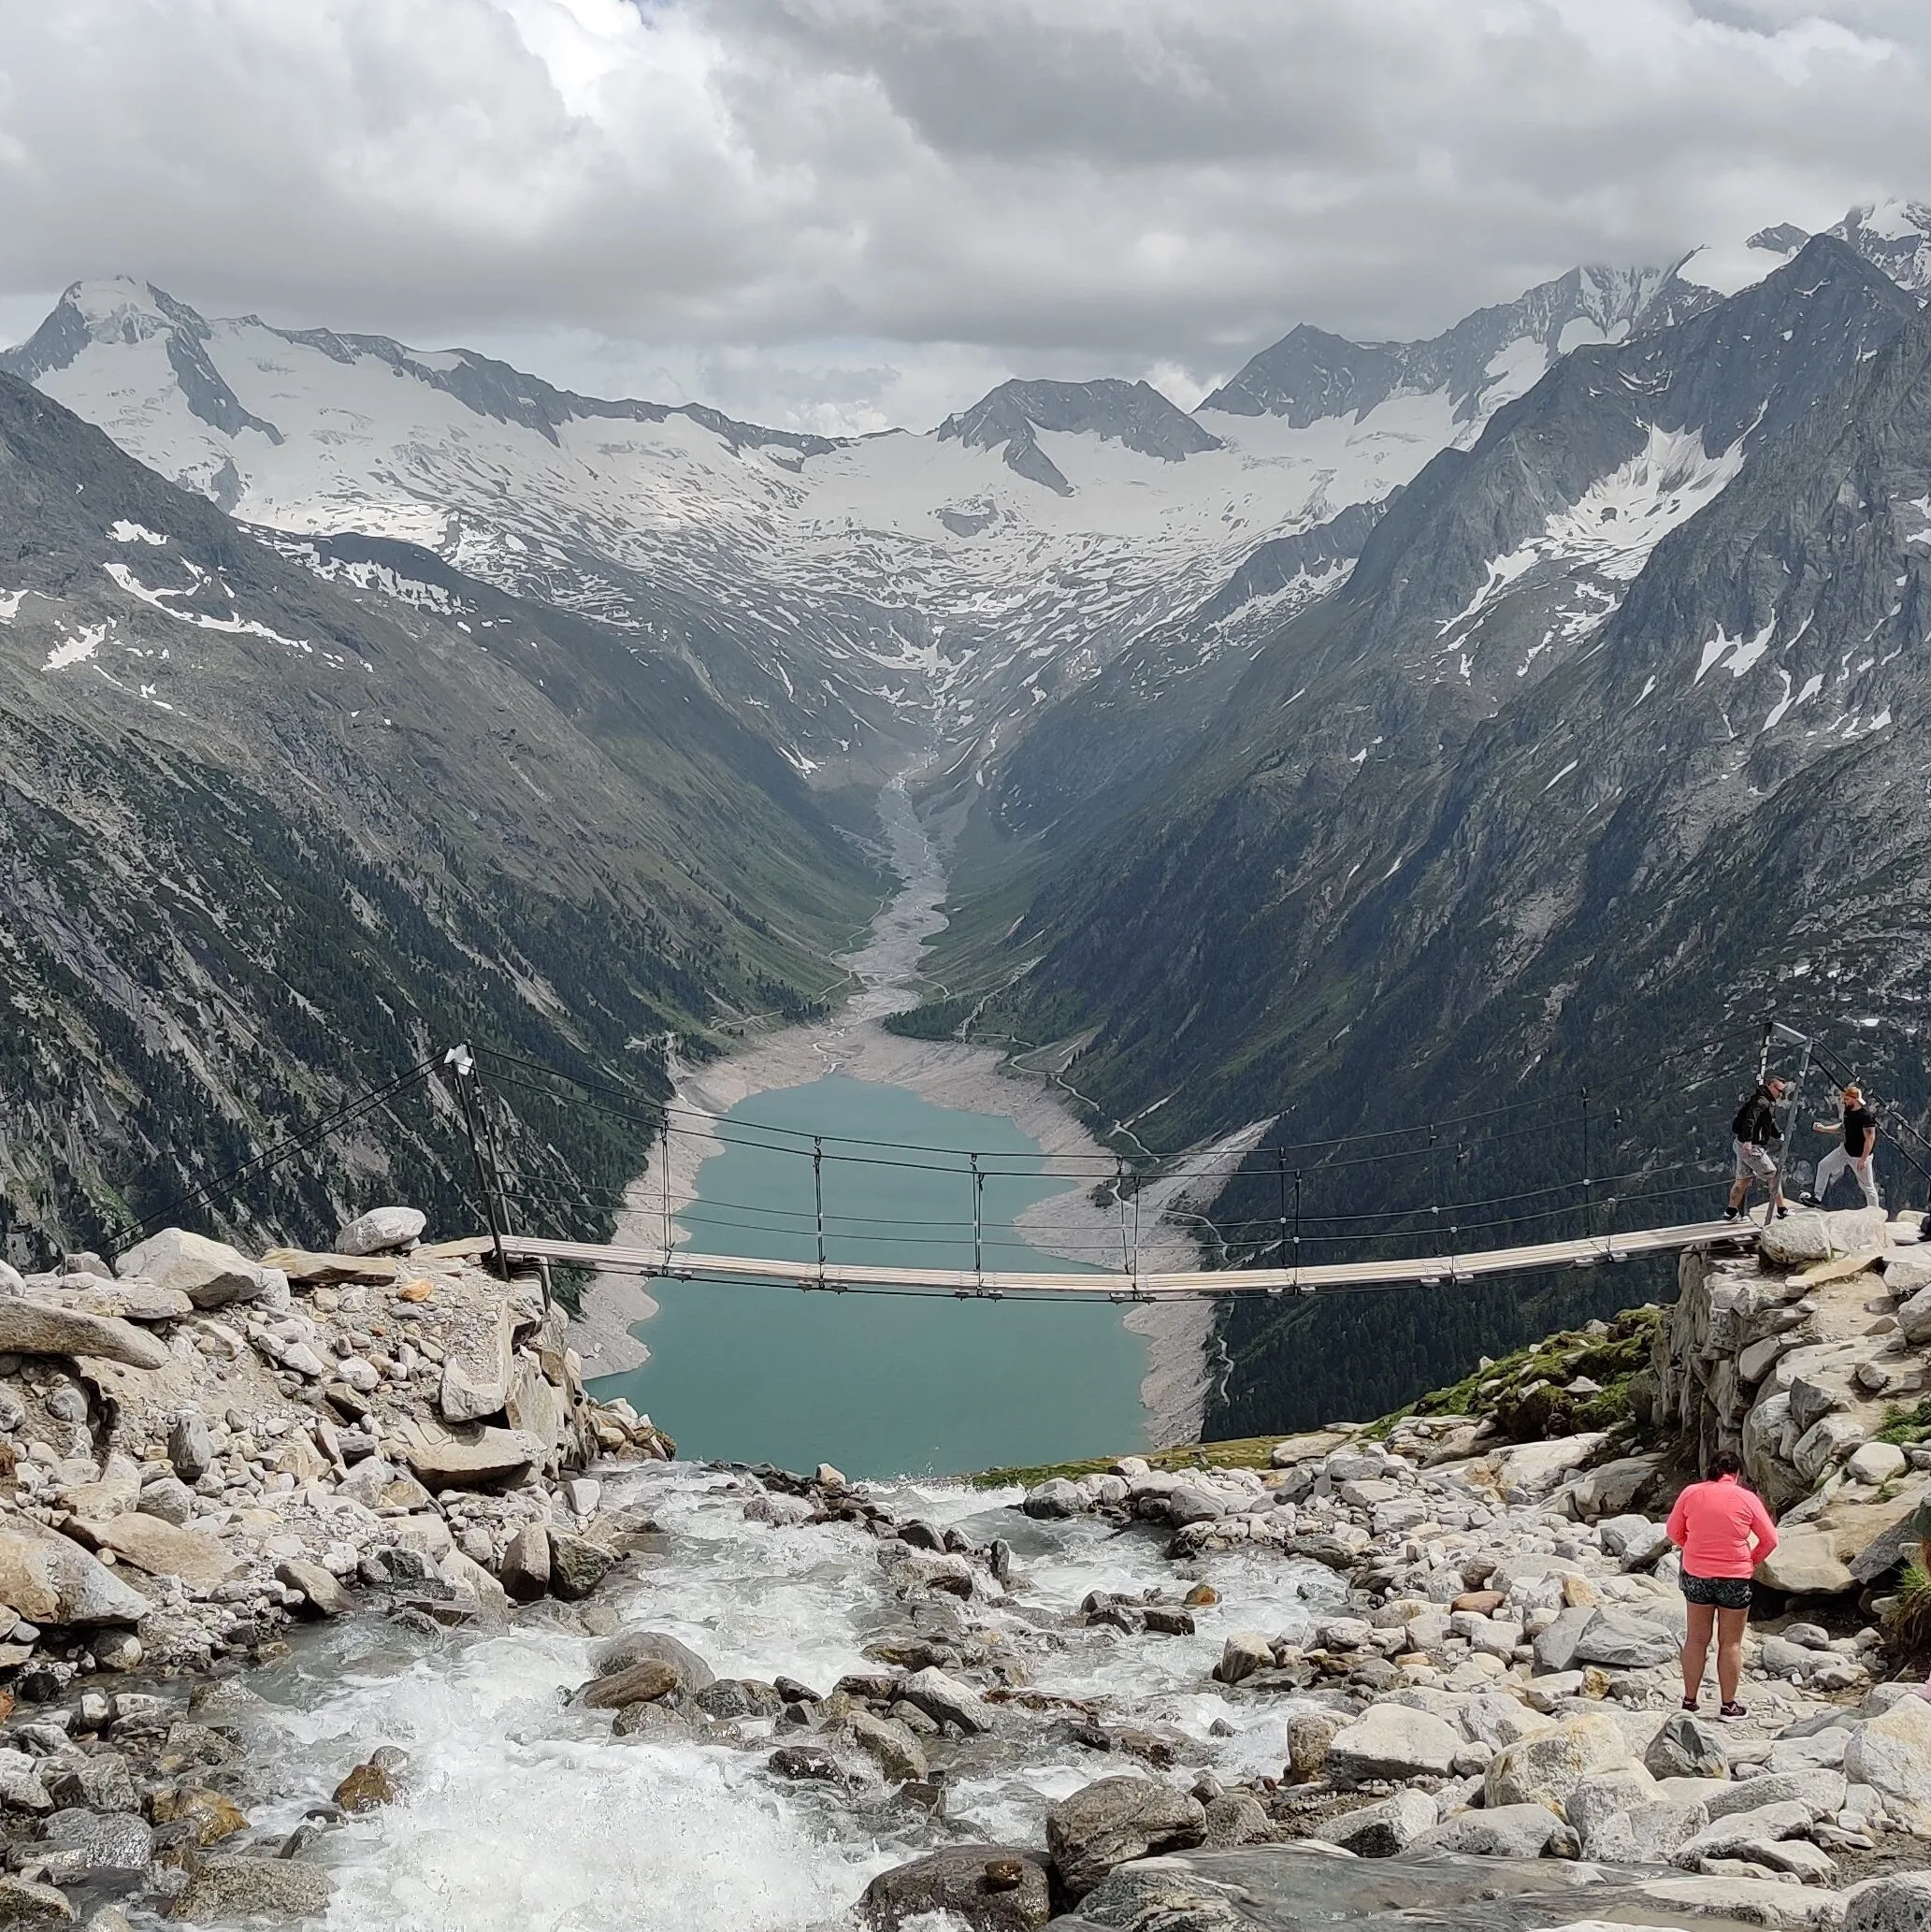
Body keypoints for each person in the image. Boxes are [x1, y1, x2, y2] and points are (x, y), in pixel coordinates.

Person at [1666, 1449, 1779, 1718]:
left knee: (1696, 1639)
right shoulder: (1746, 1498)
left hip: (1697, 1575)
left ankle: (1690, 1701)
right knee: (1730, 1643)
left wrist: (1691, 1547)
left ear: (1711, 1471)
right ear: (1737, 1474)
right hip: (1735, 1576)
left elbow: (1672, 1531)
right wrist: (1751, 1562)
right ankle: (1728, 1705)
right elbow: (1770, 1539)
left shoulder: (1691, 1493)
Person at [1726, 1075, 1789, 1223]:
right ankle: (1782, 1210)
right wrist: (1749, 1140)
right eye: (1779, 1091)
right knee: (1773, 1175)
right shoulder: (1762, 1102)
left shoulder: (1762, 1100)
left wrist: (1778, 1134)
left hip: (1739, 1143)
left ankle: (1731, 1212)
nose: (1781, 1095)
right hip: (1751, 1147)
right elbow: (1750, 1120)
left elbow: (1768, 1122)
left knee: (1742, 1179)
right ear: (1771, 1086)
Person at [1809, 1085, 1882, 1210]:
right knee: (1824, 1165)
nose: (1844, 1102)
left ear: (1853, 1099)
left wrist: (1863, 1159)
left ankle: (1874, 1212)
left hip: (1859, 1156)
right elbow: (1843, 1127)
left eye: (1846, 1099)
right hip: (1845, 1150)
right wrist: (1824, 1129)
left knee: (1867, 1186)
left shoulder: (1866, 1117)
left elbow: (1870, 1139)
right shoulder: (1848, 1111)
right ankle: (1817, 1197)